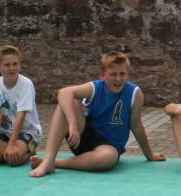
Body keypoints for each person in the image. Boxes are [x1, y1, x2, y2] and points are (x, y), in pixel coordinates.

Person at [29, 51, 165, 177]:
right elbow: (63, 92)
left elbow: (136, 126)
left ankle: (55, 163)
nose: (118, 79)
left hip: (108, 147)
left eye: (122, 74)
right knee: (68, 103)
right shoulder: (95, 87)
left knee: (108, 158)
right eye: (113, 74)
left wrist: (150, 155)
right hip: (82, 138)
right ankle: (48, 160)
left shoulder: (135, 94)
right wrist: (72, 125)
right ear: (103, 75)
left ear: (127, 75)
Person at [0, 44, 42, 167]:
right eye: (6, 65)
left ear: (19, 65)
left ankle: (30, 151)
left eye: (15, 64)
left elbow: (21, 115)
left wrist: (12, 144)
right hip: (6, 132)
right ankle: (8, 149)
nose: (12, 68)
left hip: (28, 132)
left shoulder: (25, 84)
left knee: (12, 159)